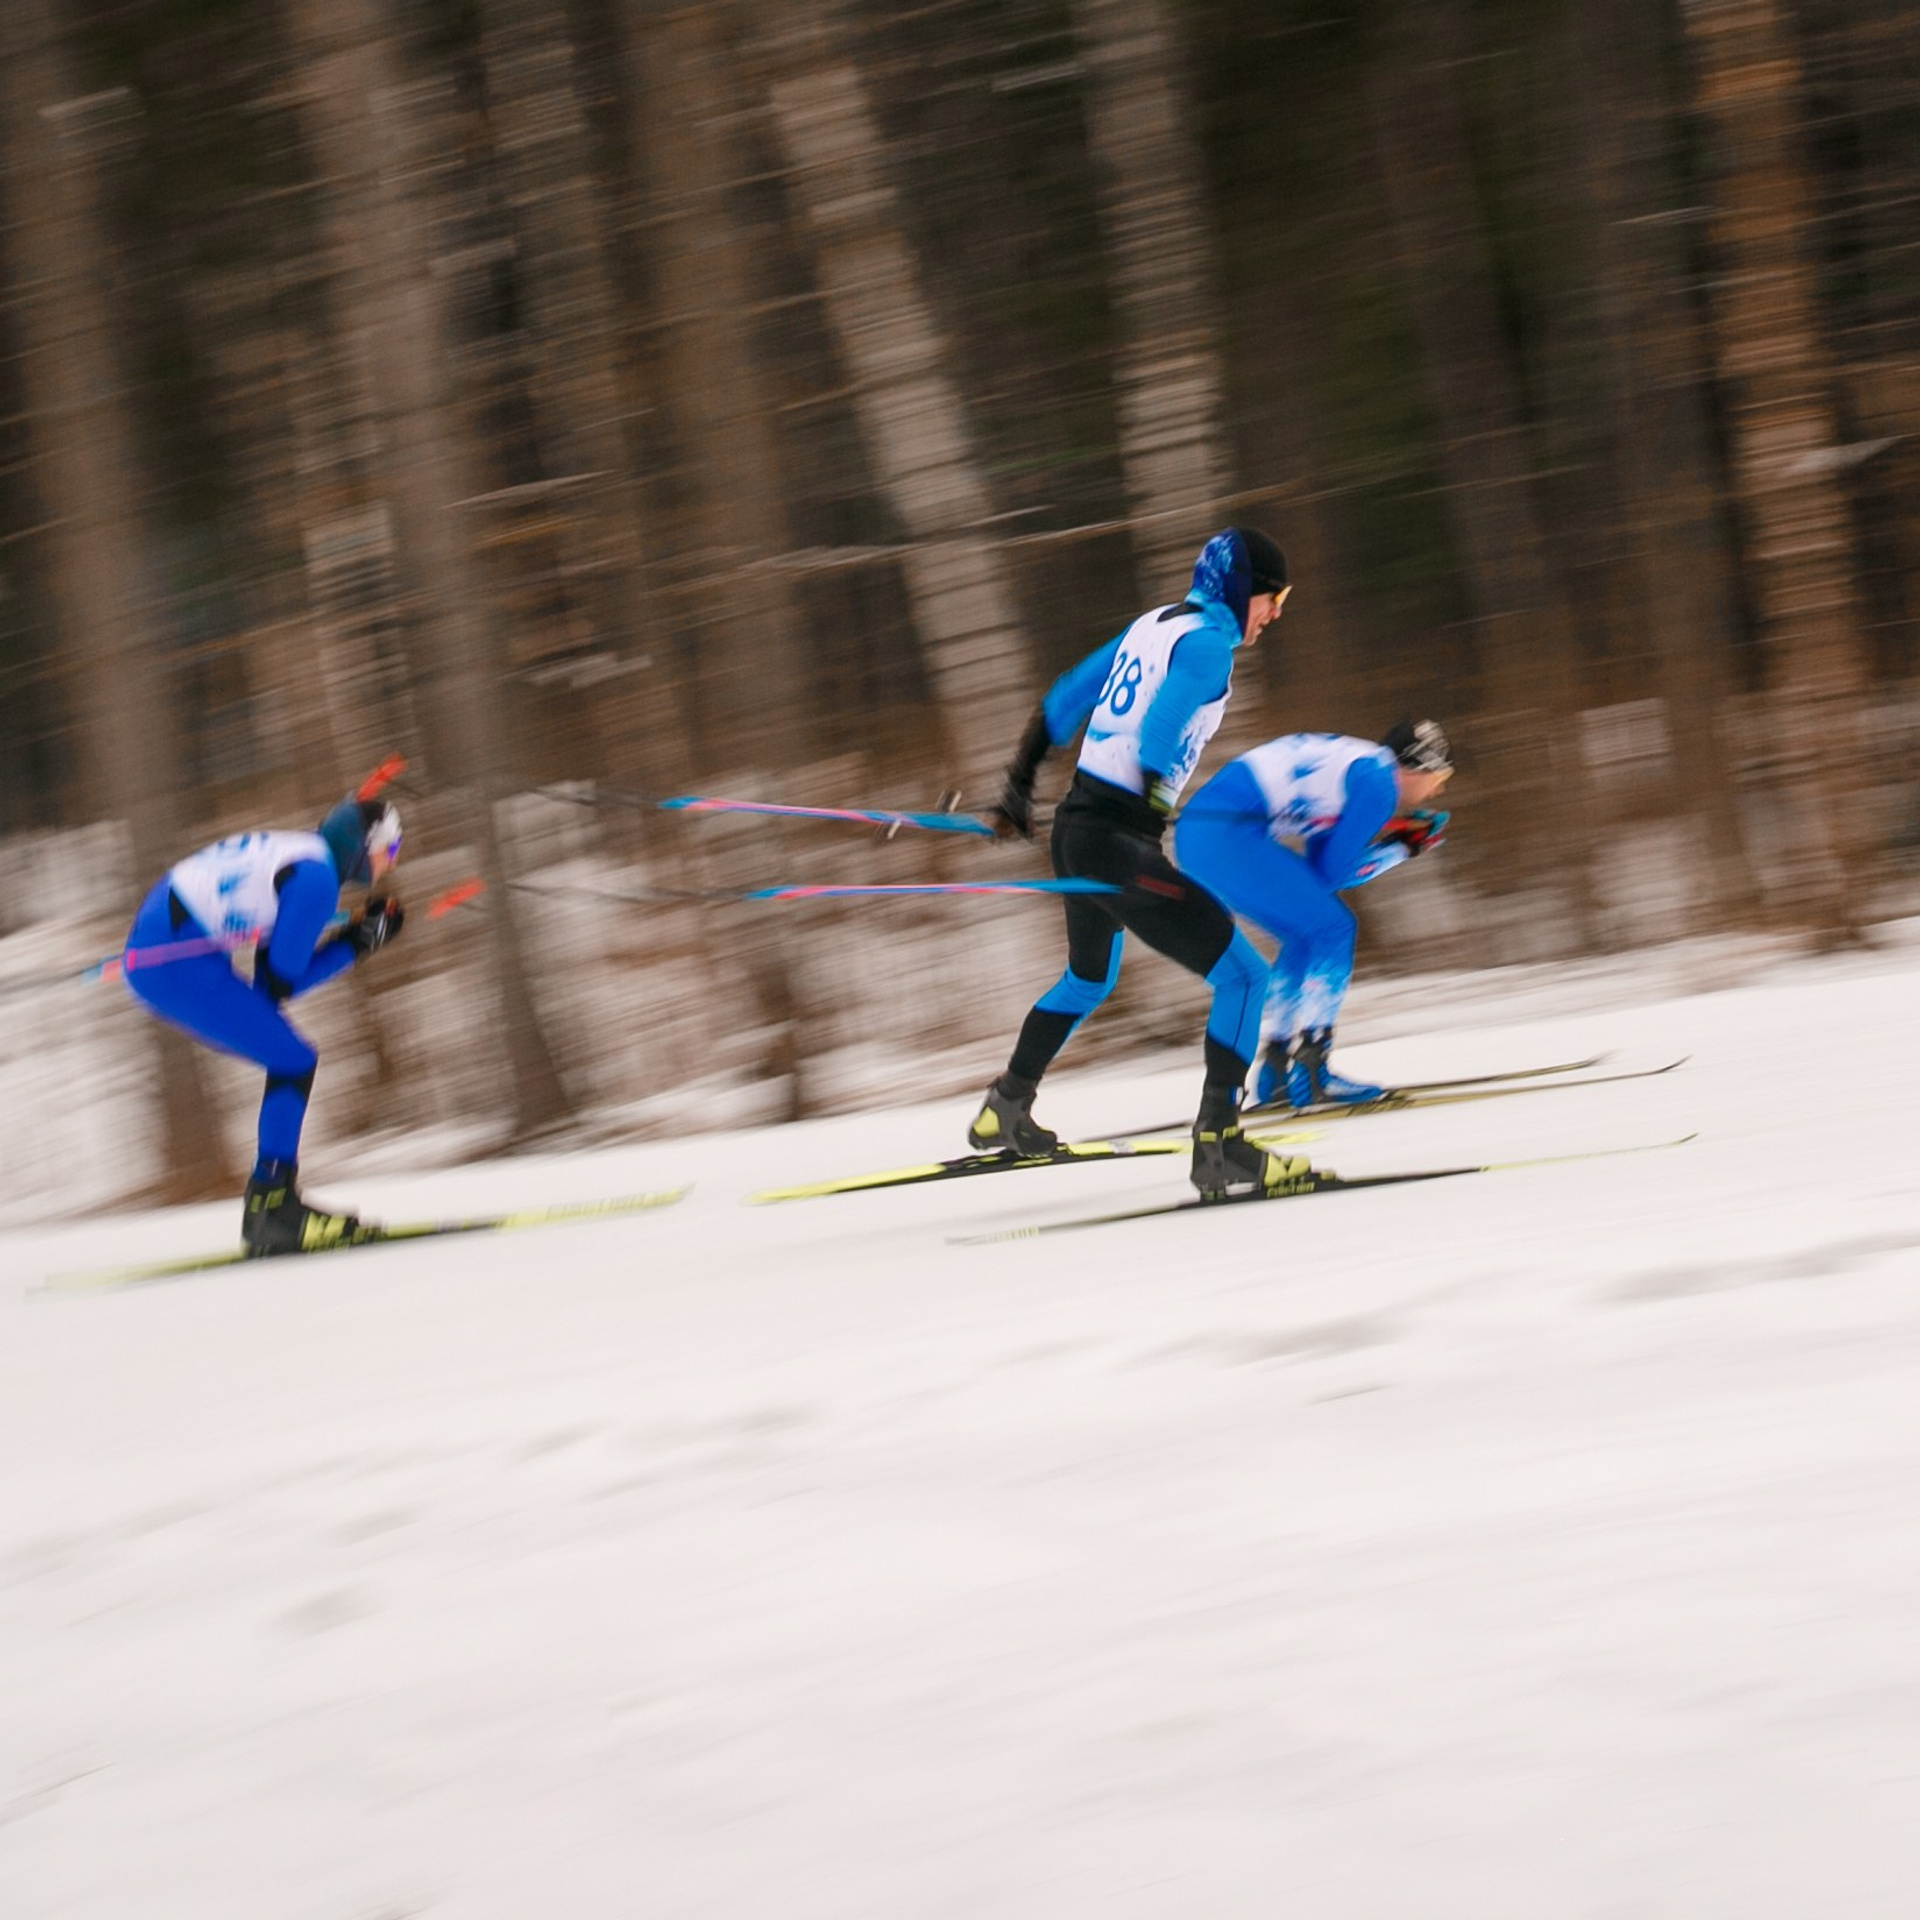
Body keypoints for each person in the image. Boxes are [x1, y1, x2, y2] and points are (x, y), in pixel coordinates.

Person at [970, 526, 1308, 1198]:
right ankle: (1220, 1145)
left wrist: (1017, 785)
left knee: (1087, 980)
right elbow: (1160, 729)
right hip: (1118, 844)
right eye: (1272, 597)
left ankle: (1003, 1109)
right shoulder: (1209, 647)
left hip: (1076, 830)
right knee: (1244, 977)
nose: (1274, 613)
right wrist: (1154, 792)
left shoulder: (1153, 625)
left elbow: (1064, 698)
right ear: (1241, 591)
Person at [120, 793, 408, 1255]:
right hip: (173, 964)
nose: (390, 863)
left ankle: (271, 1204)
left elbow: (269, 970)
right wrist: (357, 943)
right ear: (362, 845)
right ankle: (272, 1209)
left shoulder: (303, 854)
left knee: (289, 1054)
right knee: (292, 1059)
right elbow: (279, 985)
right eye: (389, 850)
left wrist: (350, 937)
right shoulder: (317, 882)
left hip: (163, 949)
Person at [1172, 718, 1453, 1110]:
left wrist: (1393, 836)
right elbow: (1338, 873)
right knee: (1335, 929)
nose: (1440, 787)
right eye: (1441, 774)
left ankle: (1277, 1071)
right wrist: (1402, 849)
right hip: (1225, 836)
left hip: (1203, 836)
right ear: (1418, 767)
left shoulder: (1365, 767)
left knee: (1308, 934)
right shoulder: (1379, 783)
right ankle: (1313, 1071)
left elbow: (1322, 875)